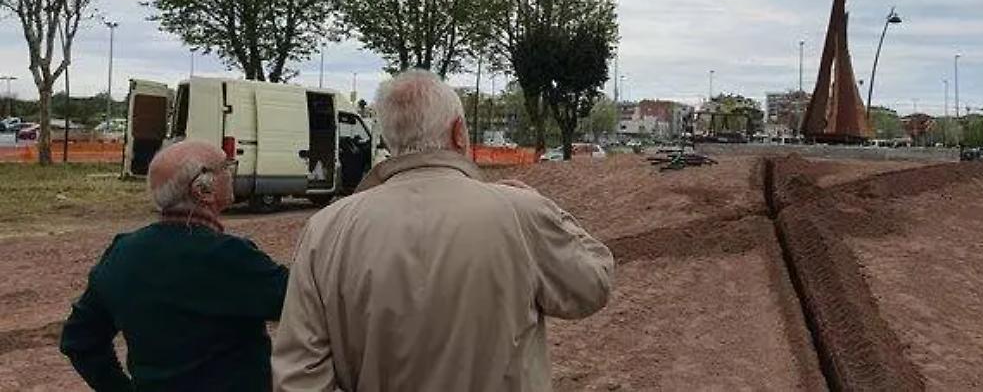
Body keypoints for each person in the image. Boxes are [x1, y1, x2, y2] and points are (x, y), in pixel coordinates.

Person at [273, 69, 614, 391]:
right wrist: (545, 207)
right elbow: (593, 284)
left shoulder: (326, 229)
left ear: (391, 139)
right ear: (459, 133)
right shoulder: (521, 212)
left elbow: (299, 376)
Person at [60, 140, 289, 392]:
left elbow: (79, 340)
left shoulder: (122, 252)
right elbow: (307, 304)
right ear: (203, 189)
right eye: (226, 166)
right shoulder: (230, 257)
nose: (232, 172)